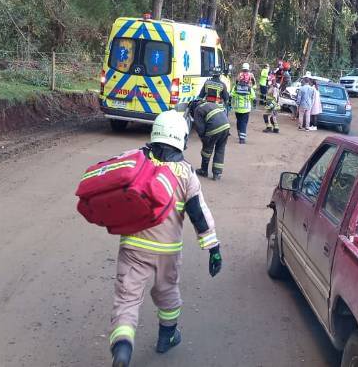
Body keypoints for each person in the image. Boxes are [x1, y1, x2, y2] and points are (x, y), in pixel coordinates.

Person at [109, 111, 222, 367]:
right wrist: (213, 248)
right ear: (181, 138)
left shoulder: (136, 162)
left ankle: (123, 349)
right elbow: (199, 215)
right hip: (167, 251)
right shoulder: (186, 174)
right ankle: (167, 337)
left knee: (127, 298)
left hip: (133, 246)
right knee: (167, 291)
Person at [193, 90, 231, 180]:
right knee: (220, 149)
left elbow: (200, 128)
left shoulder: (198, 109)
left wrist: (204, 139)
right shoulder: (215, 105)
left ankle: (204, 170)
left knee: (207, 150)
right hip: (226, 127)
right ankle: (217, 174)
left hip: (215, 128)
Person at [230, 77, 255, 144]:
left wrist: (230, 104)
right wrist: (254, 105)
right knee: (244, 123)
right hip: (246, 109)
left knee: (239, 121)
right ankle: (242, 139)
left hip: (237, 108)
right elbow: (253, 98)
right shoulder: (249, 88)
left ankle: (239, 133)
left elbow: (231, 95)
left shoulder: (235, 87)